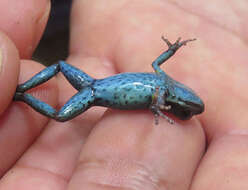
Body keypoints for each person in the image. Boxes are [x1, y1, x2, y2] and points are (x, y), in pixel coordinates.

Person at [0, 0, 247, 189]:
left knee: (60, 100)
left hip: (94, 91)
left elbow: (156, 67)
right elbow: (157, 67)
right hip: (93, 88)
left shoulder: (161, 86)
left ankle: (22, 94)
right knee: (60, 92)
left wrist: (160, 99)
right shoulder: (162, 85)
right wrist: (172, 49)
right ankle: (23, 93)